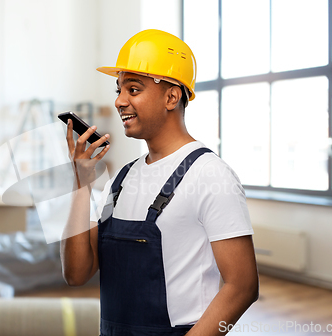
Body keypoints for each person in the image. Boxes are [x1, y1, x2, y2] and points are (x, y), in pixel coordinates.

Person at [60, 29, 259, 336]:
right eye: (118, 90)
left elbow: (243, 287)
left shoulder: (211, 175)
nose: (119, 102)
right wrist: (81, 185)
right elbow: (76, 274)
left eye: (134, 90)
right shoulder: (122, 180)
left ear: (171, 96)